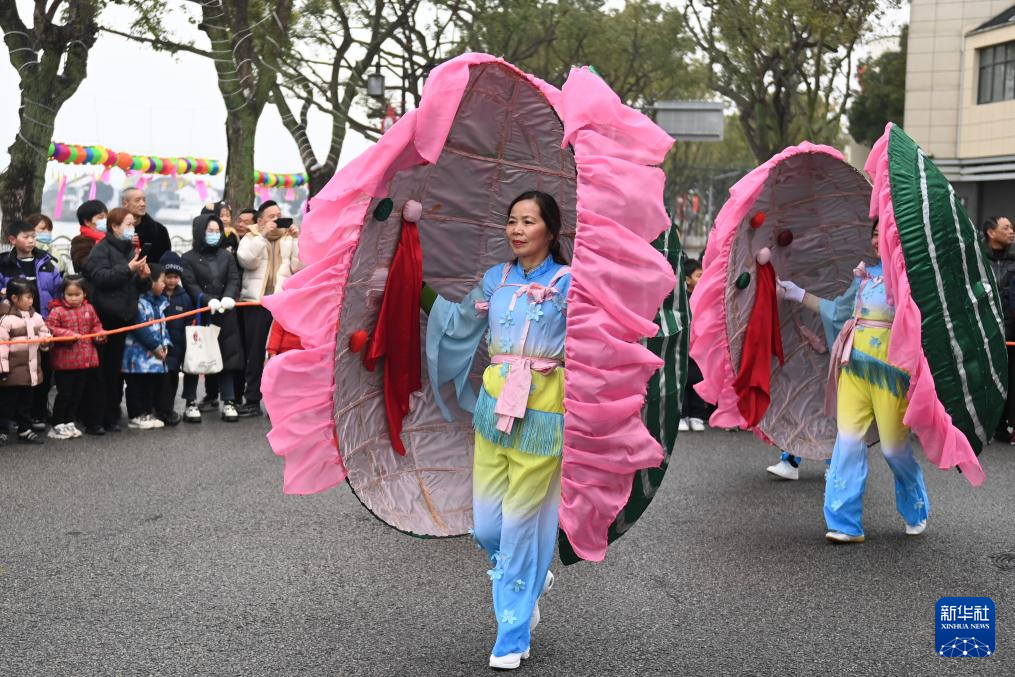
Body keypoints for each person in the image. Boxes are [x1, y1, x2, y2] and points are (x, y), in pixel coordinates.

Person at [425, 191, 568, 669]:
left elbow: (597, 344)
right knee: (487, 525)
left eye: (529, 221)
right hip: (494, 412)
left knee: (523, 524)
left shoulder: (571, 283)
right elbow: (458, 321)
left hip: (544, 414)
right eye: (512, 221)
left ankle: (512, 636)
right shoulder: (496, 280)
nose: (517, 229)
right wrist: (413, 289)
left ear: (551, 228)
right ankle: (532, 573)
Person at [778, 219, 929, 543]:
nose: (877, 240)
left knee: (893, 448)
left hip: (891, 374)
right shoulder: (865, 276)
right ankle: (844, 523)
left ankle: (916, 506)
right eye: (874, 234)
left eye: (884, 233)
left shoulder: (914, 277)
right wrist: (797, 293)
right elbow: (837, 312)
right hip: (853, 368)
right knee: (847, 442)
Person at [83, 206, 152, 432]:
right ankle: (95, 418)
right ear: (114, 227)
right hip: (105, 317)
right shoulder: (101, 249)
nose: (132, 228)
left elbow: (139, 286)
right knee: (100, 370)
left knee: (115, 371)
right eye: (128, 224)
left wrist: (143, 277)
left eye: (133, 224)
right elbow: (100, 277)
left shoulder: (130, 250)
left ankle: (112, 415)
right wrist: (128, 268)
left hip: (124, 316)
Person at [235, 200, 303, 417]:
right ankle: (252, 399)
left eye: (279, 215)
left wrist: (298, 240)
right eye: (271, 216)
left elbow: (299, 267)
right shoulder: (251, 236)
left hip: (282, 303)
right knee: (254, 352)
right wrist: (263, 235)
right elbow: (246, 260)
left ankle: (283, 402)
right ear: (261, 219)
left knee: (282, 354)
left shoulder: (288, 238)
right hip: (256, 302)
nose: (276, 219)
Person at [0, 219, 64, 429]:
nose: (31, 240)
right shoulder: (4, 264)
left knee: (41, 371)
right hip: (12, 330)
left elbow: (57, 292)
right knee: (12, 375)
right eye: (26, 236)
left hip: (40, 325)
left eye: (33, 236)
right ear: (12, 239)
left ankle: (37, 413)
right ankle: (10, 417)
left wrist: (51, 317)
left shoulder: (47, 262)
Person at [181, 213, 243, 422]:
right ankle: (190, 401)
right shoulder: (188, 258)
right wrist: (207, 299)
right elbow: (190, 284)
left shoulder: (226, 256)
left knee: (227, 356)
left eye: (218, 231)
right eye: (211, 231)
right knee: (194, 357)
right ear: (200, 232)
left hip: (225, 313)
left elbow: (234, 278)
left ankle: (229, 400)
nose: (215, 235)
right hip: (200, 313)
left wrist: (228, 297)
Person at [44, 275, 105, 438]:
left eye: (77, 294)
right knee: (64, 394)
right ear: (63, 294)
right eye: (69, 294)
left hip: (84, 360)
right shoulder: (57, 310)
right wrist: (69, 334)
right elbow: (50, 328)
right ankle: (57, 424)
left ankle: (69, 421)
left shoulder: (89, 309)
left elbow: (96, 325)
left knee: (77, 394)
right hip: (65, 361)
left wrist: (99, 334)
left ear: (84, 293)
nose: (73, 298)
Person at [0, 280, 52, 444]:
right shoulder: (6, 320)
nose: (31, 301)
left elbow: (45, 331)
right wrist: (3, 369)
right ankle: (2, 430)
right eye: (28, 297)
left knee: (26, 402)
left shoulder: (36, 317)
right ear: (14, 298)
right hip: (11, 372)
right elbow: (1, 346)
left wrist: (45, 340)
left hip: (31, 369)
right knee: (6, 403)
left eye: (32, 297)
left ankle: (24, 429)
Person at [121, 263, 170, 430]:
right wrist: (156, 346)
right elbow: (140, 328)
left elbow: (163, 327)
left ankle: (147, 413)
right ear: (152, 282)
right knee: (136, 386)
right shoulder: (140, 302)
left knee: (149, 385)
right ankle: (136, 415)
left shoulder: (159, 303)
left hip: (153, 356)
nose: (165, 285)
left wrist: (165, 344)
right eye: (162, 281)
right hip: (137, 356)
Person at [981, 215, 1015, 443]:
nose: (1012, 231)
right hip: (984, 325)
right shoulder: (978, 261)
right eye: (1006, 227)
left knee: (1009, 375)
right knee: (982, 374)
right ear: (991, 233)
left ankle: (1004, 424)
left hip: (1010, 328)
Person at [155, 251, 196, 425]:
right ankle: (157, 409)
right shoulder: (156, 295)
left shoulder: (185, 297)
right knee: (158, 380)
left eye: (175, 277)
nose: (171, 281)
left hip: (177, 347)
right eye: (168, 277)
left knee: (171, 380)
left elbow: (189, 322)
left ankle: (168, 409)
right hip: (159, 347)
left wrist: (187, 347)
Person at [680, 258, 709, 433]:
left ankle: (697, 415)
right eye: (699, 275)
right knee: (682, 380)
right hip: (684, 344)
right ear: (687, 279)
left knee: (699, 379)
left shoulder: (705, 297)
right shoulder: (681, 298)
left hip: (700, 344)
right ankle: (682, 415)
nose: (702, 278)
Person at [121, 187, 172, 263]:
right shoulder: (114, 230)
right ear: (125, 204)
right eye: (137, 200)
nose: (143, 204)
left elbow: (166, 261)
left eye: (144, 200)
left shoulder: (160, 231)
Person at [70, 199, 108, 273]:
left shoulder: (111, 238)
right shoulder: (80, 242)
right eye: (101, 217)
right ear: (87, 222)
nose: (105, 220)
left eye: (107, 217)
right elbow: (84, 265)